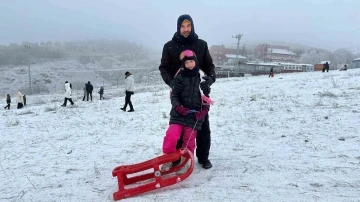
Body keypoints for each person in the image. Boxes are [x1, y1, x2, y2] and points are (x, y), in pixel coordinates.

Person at [159, 14, 216, 169]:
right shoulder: (169, 46)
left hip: (198, 94)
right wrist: (171, 83)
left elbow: (210, 66)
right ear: (178, 27)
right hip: (180, 94)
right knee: (178, 126)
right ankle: (176, 158)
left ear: (192, 27)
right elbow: (163, 68)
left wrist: (210, 79)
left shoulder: (201, 45)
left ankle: (203, 158)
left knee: (202, 127)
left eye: (188, 26)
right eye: (183, 26)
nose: (186, 29)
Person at [161, 51, 210, 172]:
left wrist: (204, 110)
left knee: (189, 142)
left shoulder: (202, 78)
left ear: (196, 62)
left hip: (193, 117)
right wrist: (178, 107)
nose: (189, 64)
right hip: (178, 114)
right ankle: (168, 159)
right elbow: (174, 95)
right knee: (172, 136)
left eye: (191, 61)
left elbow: (206, 98)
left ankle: (185, 162)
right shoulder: (179, 77)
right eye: (186, 62)